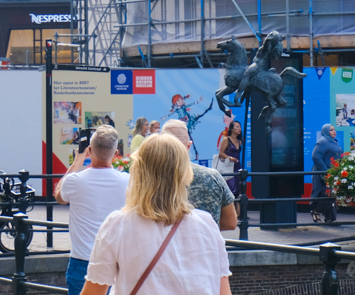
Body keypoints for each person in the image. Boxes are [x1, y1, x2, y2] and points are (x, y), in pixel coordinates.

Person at [79, 134, 232, 295]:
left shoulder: (118, 226)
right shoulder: (206, 224)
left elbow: (93, 292)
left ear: (138, 172)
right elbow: (223, 291)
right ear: (184, 174)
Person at [54, 125, 129, 295]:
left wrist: (77, 161)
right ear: (116, 153)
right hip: (116, 263)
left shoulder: (74, 181)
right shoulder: (127, 181)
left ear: (89, 150)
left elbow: (59, 197)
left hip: (82, 262)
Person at [161, 120, 237, 231]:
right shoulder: (212, 177)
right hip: (205, 240)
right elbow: (230, 223)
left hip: (163, 241)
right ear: (189, 145)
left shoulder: (148, 176)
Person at [311, 123, 342, 223]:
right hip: (324, 172)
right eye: (331, 130)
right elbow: (315, 156)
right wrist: (325, 170)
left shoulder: (333, 141)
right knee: (328, 193)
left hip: (333, 172)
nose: (334, 131)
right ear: (325, 132)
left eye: (334, 129)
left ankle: (330, 218)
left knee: (332, 193)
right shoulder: (322, 142)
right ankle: (316, 211)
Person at [218, 121, 243, 198]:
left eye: (240, 127)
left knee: (238, 190)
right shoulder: (226, 139)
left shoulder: (240, 141)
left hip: (237, 166)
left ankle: (237, 205)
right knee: (231, 188)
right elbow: (221, 153)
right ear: (231, 129)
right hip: (229, 166)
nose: (239, 129)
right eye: (237, 127)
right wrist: (230, 158)